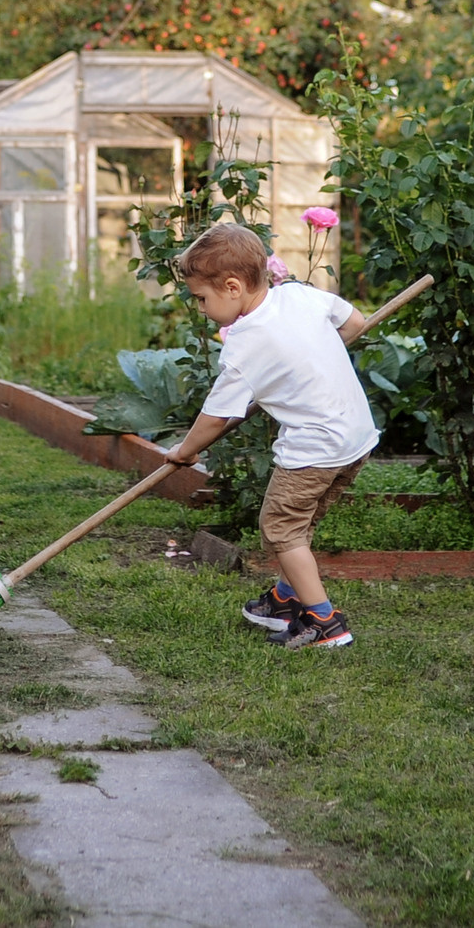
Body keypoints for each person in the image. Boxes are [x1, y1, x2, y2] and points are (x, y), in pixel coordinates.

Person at [158, 222, 375, 649]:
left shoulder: (245, 343)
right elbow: (355, 323)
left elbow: (216, 417)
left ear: (233, 287)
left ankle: (324, 622)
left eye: (201, 298)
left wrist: (185, 452)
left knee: (281, 528)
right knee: (301, 524)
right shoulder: (299, 295)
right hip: (355, 439)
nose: (200, 308)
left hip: (314, 448)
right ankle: (285, 599)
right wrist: (308, 359)